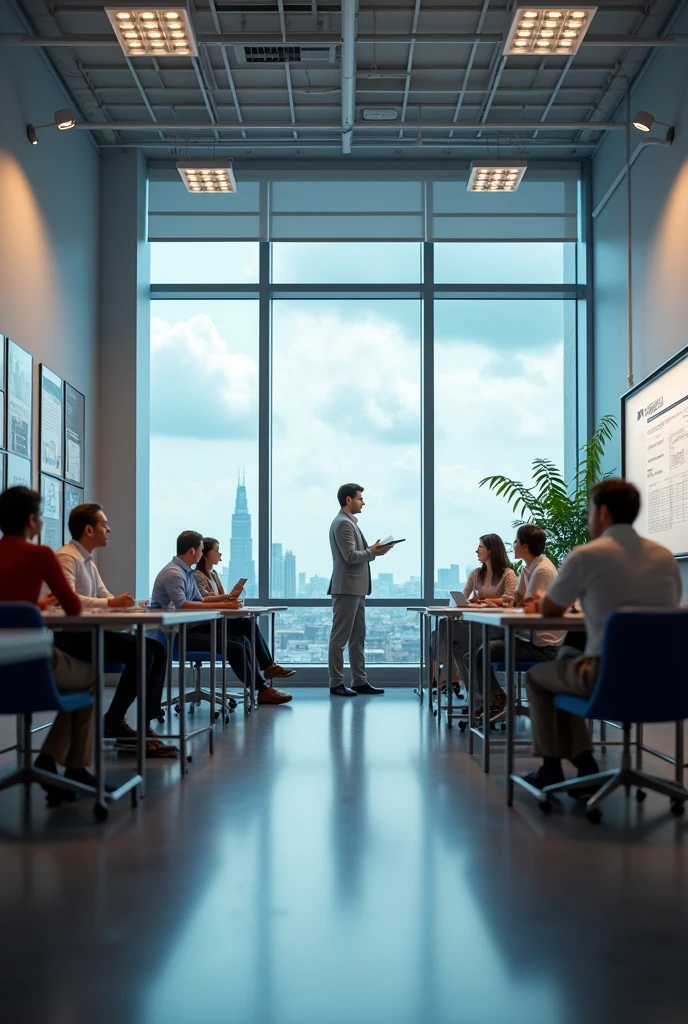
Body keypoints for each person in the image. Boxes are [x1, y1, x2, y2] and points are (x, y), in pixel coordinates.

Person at [523, 478, 682, 792]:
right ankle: (585, 764)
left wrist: (540, 603)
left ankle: (551, 769)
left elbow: (551, 611)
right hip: (668, 678)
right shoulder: (665, 556)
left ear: (604, 513)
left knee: (539, 677)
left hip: (604, 676)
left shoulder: (587, 555)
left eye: (590, 510)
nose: (588, 517)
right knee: (567, 659)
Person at [53, 503, 177, 758]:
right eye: (104, 524)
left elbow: (103, 595)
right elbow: (66, 600)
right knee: (143, 653)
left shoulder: (87, 560)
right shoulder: (67, 557)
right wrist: (111, 603)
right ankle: (115, 719)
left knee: (155, 648)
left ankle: (144, 722)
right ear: (89, 529)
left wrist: (125, 605)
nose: (109, 529)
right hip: (72, 638)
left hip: (91, 634)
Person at [0, 486, 98, 800]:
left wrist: (33, 607)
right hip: (30, 659)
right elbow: (73, 607)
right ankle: (73, 768)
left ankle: (49, 761)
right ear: (31, 521)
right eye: (41, 515)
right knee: (91, 678)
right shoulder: (40, 554)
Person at [152, 531, 293, 704]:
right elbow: (183, 605)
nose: (202, 553)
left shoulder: (186, 573)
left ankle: (265, 680)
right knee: (235, 647)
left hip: (191, 628)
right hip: (179, 635)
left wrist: (226, 600)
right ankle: (262, 690)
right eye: (201, 549)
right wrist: (225, 605)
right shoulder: (174, 574)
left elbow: (198, 600)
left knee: (243, 637)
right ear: (192, 551)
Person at [472, 525, 564, 714]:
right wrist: (515, 603)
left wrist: (516, 603)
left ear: (525, 547)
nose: (513, 545)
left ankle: (493, 701)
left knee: (483, 651)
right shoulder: (529, 569)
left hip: (541, 646)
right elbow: (515, 600)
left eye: (515, 541)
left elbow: (526, 608)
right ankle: (492, 699)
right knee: (478, 646)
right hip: (528, 638)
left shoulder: (542, 571)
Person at [328, 483, 393, 697]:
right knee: (340, 638)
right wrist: (374, 551)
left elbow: (356, 553)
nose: (363, 502)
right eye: (360, 498)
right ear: (349, 500)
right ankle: (336, 683)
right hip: (347, 588)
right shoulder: (343, 524)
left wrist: (373, 550)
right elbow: (351, 556)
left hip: (356, 588)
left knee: (358, 637)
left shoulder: (348, 523)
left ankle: (359, 681)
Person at [433, 534, 517, 695]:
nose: (476, 550)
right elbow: (464, 597)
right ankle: (475, 696)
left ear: (491, 551)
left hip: (495, 627)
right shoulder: (476, 573)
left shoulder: (508, 574)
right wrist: (472, 601)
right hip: (476, 624)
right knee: (451, 637)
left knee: (451, 636)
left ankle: (450, 673)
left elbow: (509, 601)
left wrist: (484, 601)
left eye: (480, 547)